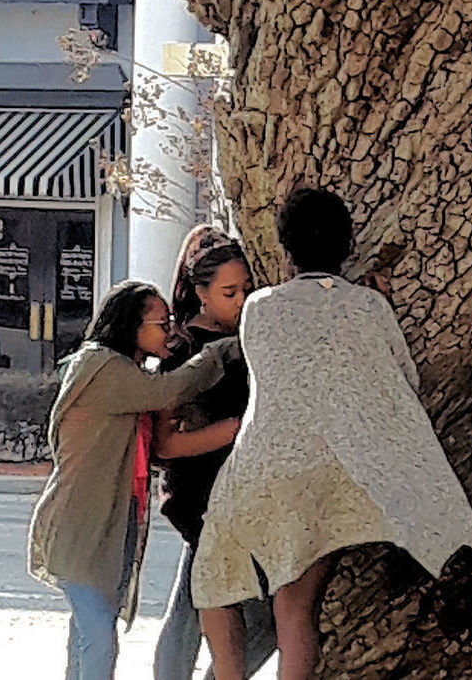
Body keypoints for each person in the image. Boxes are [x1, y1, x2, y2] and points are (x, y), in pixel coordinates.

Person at [192, 188, 472, 680]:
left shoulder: (259, 308)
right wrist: (375, 305)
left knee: (215, 581)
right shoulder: (370, 308)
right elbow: (404, 381)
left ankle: (225, 673)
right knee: (296, 611)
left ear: (285, 251)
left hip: (264, 468)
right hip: (339, 473)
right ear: (348, 244)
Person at [28, 280, 241, 680]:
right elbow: (171, 390)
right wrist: (221, 349)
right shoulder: (103, 368)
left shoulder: (115, 369)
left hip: (104, 526)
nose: (172, 332)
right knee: (98, 637)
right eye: (163, 324)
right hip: (81, 528)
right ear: (131, 326)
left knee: (87, 634)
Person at [154, 226, 278, 680]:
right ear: (201, 294)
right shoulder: (183, 349)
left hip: (248, 498)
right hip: (201, 500)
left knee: (261, 616)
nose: (242, 300)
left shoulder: (250, 339)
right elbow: (165, 442)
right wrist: (231, 432)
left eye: (246, 288)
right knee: (193, 610)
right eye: (230, 292)